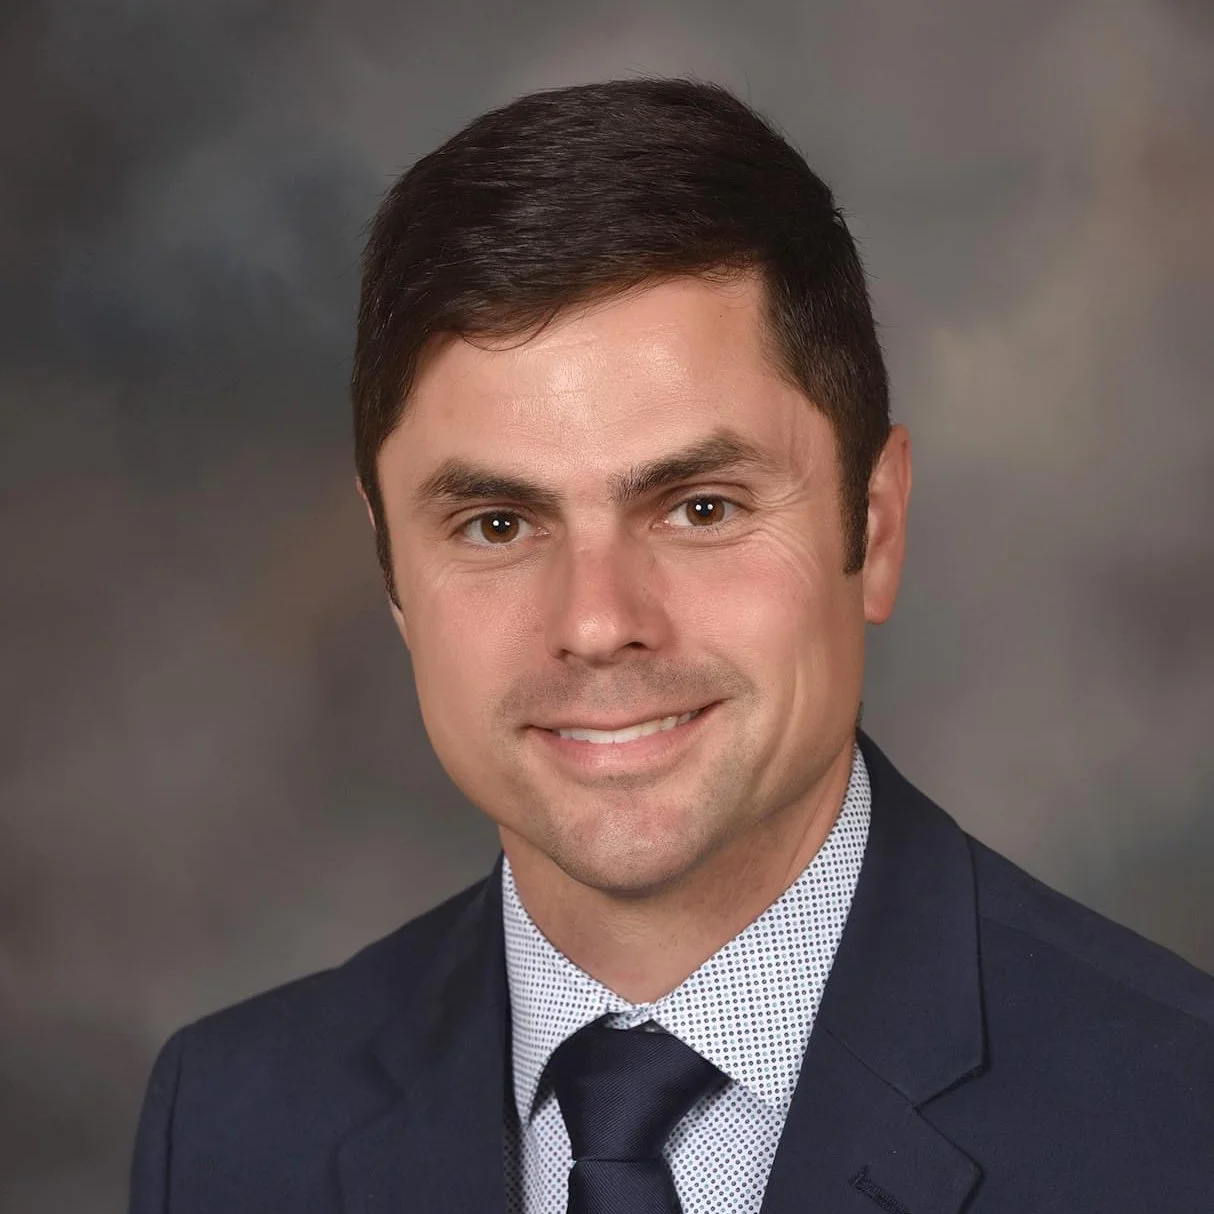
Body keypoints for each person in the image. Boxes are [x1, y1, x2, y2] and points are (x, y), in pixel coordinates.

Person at [128, 78, 1214, 1214]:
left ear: (874, 526)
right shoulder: (229, 1122)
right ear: (393, 570)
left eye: (699, 507)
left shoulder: (1174, 1121)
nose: (598, 621)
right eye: (496, 524)